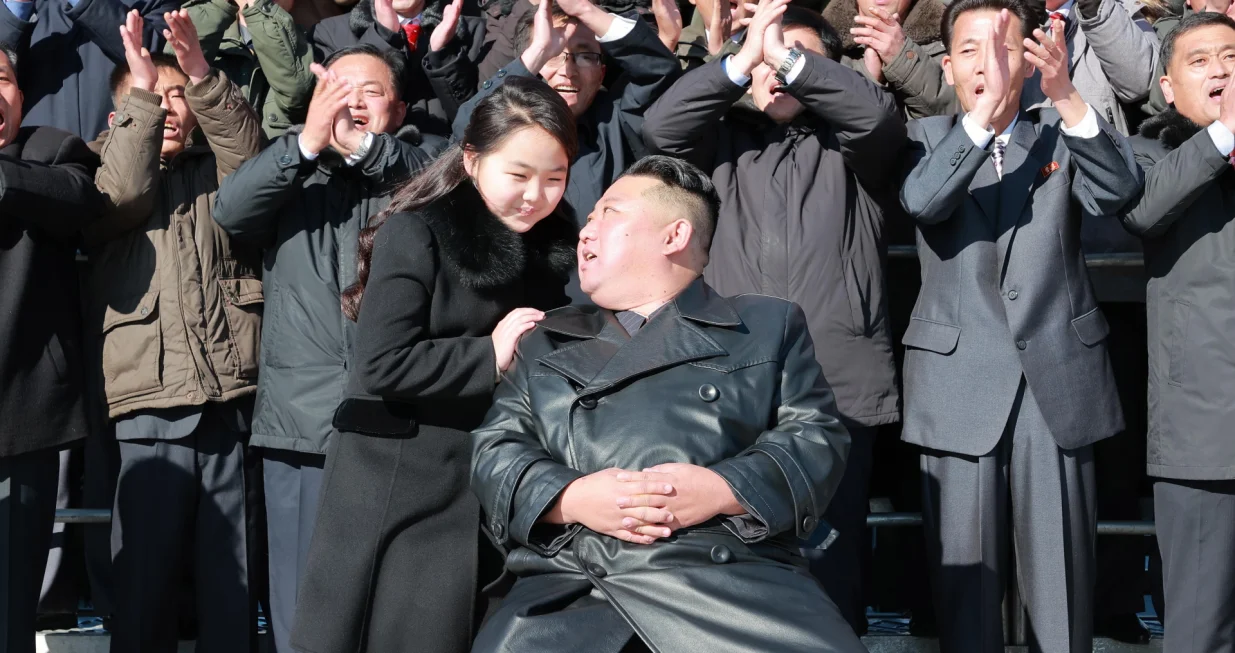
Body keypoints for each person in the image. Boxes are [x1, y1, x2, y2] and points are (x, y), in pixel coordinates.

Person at [468, 155, 863, 653]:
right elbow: (495, 448)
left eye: (608, 214)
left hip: (730, 584)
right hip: (575, 583)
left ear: (673, 236)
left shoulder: (764, 325)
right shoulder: (548, 338)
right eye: (588, 219)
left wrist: (723, 488)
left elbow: (816, 436)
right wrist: (573, 498)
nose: (586, 232)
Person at [642, 0, 902, 634]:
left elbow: (873, 114)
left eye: (802, 60)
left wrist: (786, 53)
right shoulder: (721, 144)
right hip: (729, 385)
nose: (781, 72)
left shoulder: (855, 148)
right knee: (733, 567)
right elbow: (660, 128)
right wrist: (737, 59)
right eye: (769, 60)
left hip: (837, 388)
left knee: (831, 566)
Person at [290, 77, 576, 653]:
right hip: (400, 482)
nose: (536, 195)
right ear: (471, 161)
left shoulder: (551, 249)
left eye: (555, 179)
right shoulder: (415, 230)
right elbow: (381, 363)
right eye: (518, 176)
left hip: (488, 479)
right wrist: (488, 355)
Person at [897, 0, 1143, 650]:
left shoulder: (1062, 133)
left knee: (1062, 587)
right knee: (964, 597)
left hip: (1056, 382)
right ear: (946, 66)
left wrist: (1064, 97)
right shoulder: (923, 141)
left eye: (1005, 45)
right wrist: (978, 121)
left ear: (1033, 59)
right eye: (971, 49)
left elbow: (1118, 192)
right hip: (956, 387)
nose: (991, 61)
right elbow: (922, 201)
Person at [211, 43, 436, 653]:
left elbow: (440, 189)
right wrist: (307, 142)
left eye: (369, 91)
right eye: (339, 88)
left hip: (397, 421)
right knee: (298, 599)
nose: (352, 102)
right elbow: (230, 211)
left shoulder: (422, 167)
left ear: (400, 106)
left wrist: (362, 150)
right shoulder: (292, 169)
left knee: (389, 597)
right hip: (299, 422)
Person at [89, 11, 263, 653]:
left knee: (233, 587)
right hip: (150, 406)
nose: (168, 109)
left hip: (231, 400)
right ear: (123, 114)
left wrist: (200, 74)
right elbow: (124, 196)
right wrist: (143, 89)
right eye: (148, 97)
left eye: (176, 98)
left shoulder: (218, 170)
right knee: (144, 587)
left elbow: (253, 166)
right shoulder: (99, 168)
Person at [1118, 12, 1235, 652]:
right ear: (1167, 87)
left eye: (1231, 55)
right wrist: (1224, 133)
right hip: (1203, 433)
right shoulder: (1150, 151)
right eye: (1201, 61)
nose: (1220, 69)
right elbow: (1141, 207)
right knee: (1199, 629)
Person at [0, 40, 103, 653]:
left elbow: (79, 199)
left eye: (4, 78)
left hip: (21, 416)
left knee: (11, 601)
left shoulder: (49, 149)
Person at [455, 0, 680, 239]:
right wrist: (538, 51)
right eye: (553, 55)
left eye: (584, 56)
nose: (568, 71)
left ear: (602, 72)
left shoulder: (616, 119)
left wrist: (586, 10)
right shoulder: (511, 119)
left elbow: (660, 72)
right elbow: (466, 127)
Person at [0, 0, 176, 138]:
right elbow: (4, 70)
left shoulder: (153, 3)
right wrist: (18, 9)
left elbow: (158, 62)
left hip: (119, 158)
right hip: (32, 167)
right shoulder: (17, 8)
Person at [308, 0, 486, 136]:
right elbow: (332, 113)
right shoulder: (328, 32)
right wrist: (384, 38)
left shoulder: (473, 31)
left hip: (442, 166)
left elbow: (478, 122)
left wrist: (443, 56)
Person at [179, 0, 315, 138]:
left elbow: (296, 95)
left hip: (278, 154)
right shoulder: (207, 37)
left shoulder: (314, 42)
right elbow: (175, 83)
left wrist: (261, 10)